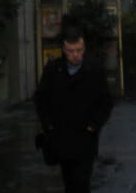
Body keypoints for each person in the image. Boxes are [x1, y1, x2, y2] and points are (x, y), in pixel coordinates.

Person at [34, 25, 113, 193]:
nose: (75, 54)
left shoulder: (94, 70)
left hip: (85, 138)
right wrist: (48, 125)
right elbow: (41, 98)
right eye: (71, 51)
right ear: (64, 50)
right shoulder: (53, 70)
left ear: (84, 48)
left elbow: (106, 101)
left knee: (82, 182)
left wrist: (94, 125)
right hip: (62, 138)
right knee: (69, 181)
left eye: (79, 50)